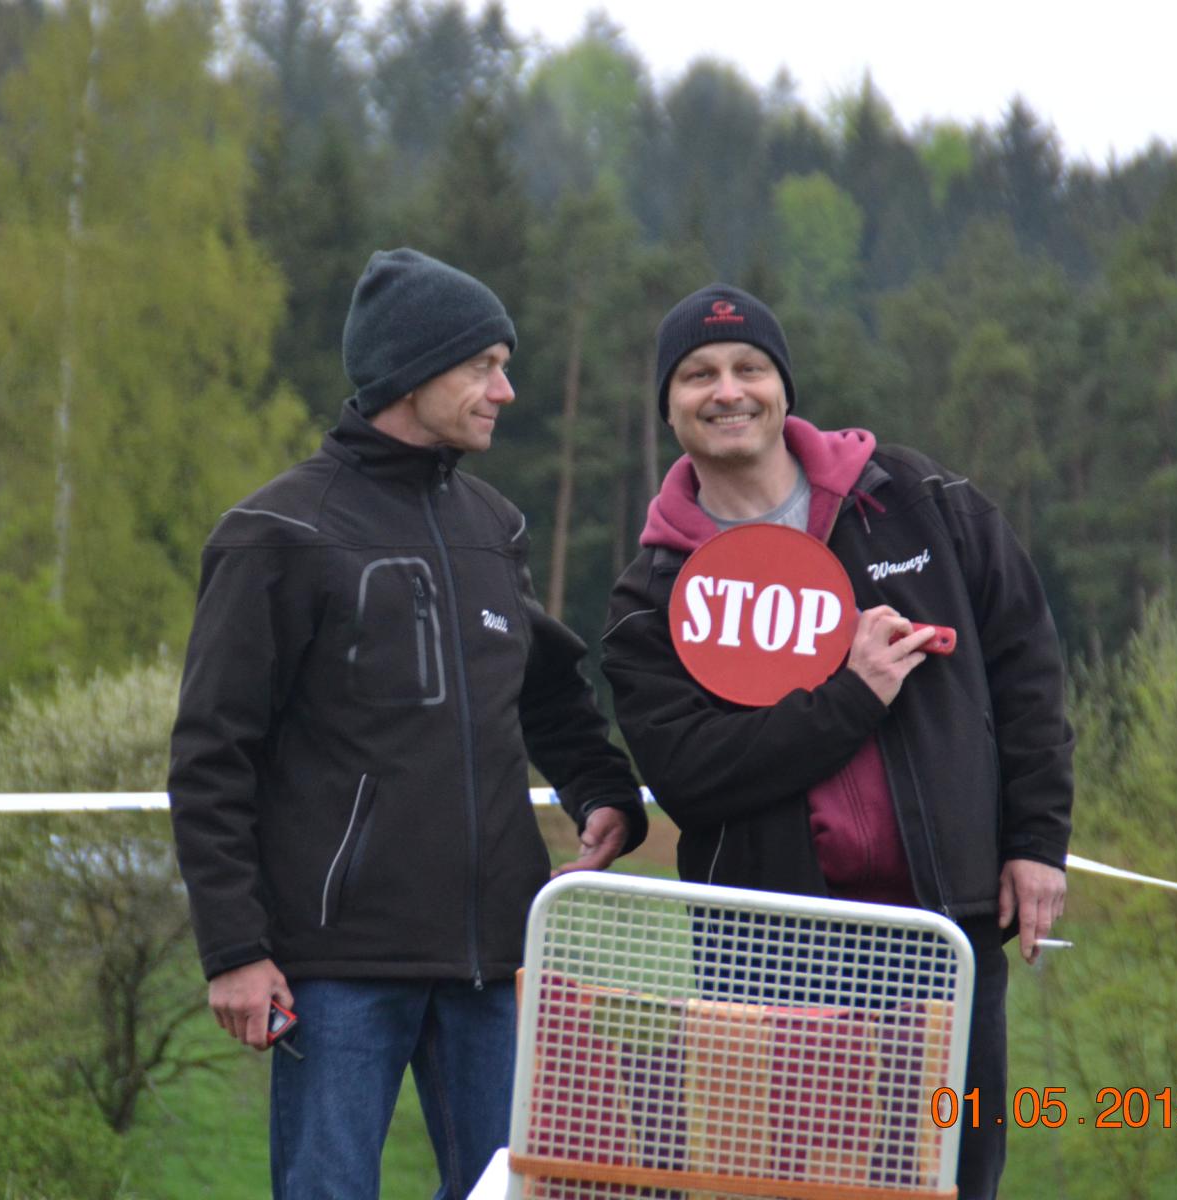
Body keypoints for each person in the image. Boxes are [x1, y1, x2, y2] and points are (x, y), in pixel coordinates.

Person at [168, 248, 647, 1200]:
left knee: (512, 1193)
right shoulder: (277, 532)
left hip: (495, 958)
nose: (505, 391)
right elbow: (211, 757)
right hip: (336, 966)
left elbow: (547, 690)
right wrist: (235, 950)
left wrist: (604, 792)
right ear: (409, 372)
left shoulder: (494, 526)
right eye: (483, 366)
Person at [601, 283, 1074, 1199]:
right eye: (697, 375)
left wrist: (1035, 841)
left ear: (784, 387)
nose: (727, 391)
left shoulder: (918, 501)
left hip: (943, 929)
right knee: (784, 1185)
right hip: (769, 948)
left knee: (953, 1177)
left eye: (749, 367)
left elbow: (1026, 668)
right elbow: (692, 777)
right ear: (668, 406)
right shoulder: (650, 596)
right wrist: (851, 697)